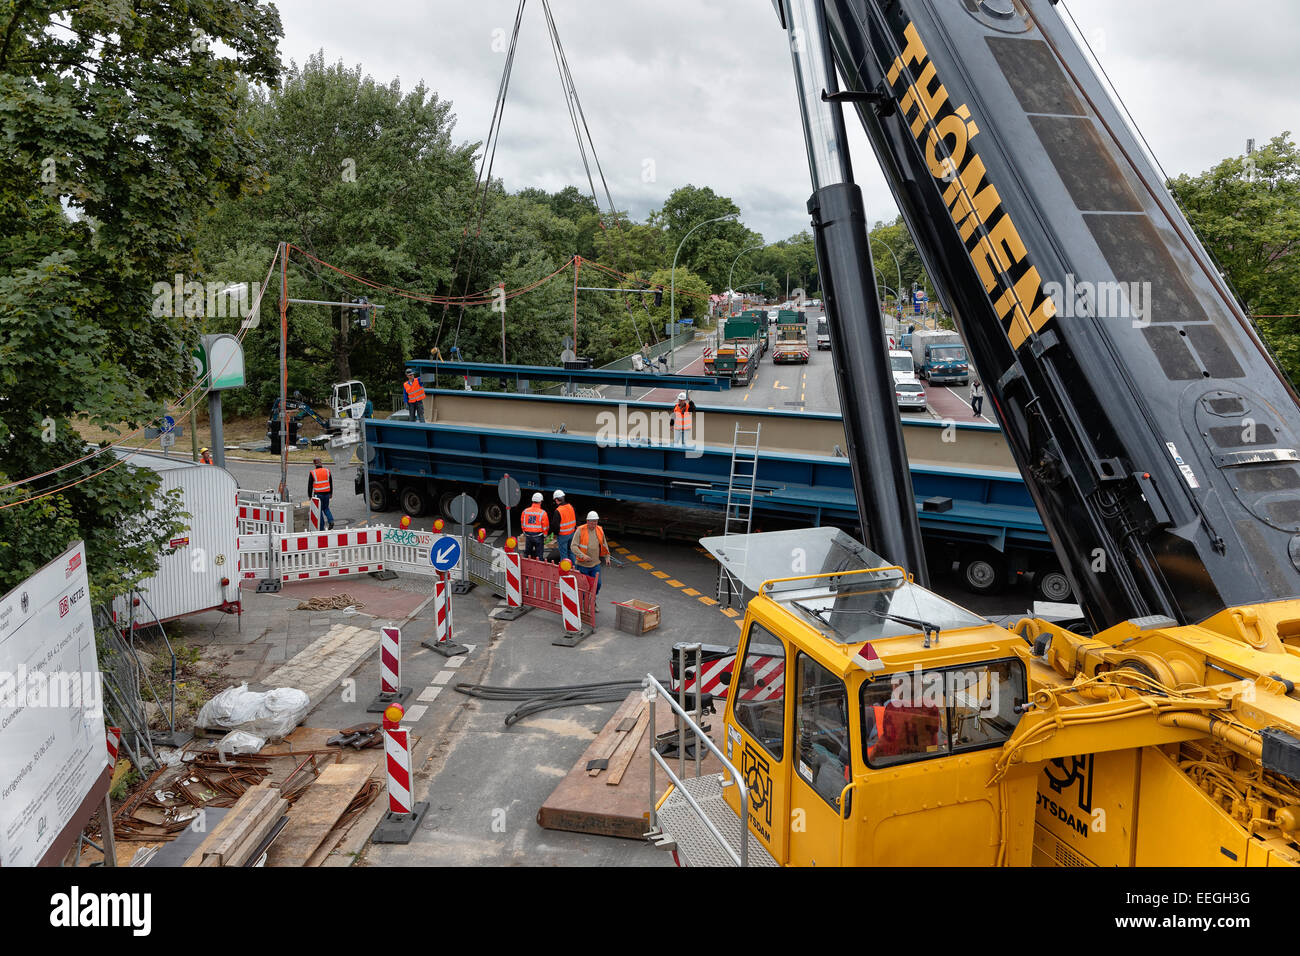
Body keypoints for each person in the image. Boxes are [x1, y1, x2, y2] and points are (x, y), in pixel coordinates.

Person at [573, 510, 611, 603]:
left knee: (597, 584)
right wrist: (583, 556)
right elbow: (573, 546)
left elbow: (604, 544)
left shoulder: (599, 530)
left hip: (595, 564)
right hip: (582, 565)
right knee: (583, 587)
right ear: (587, 521)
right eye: (592, 521)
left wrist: (607, 557)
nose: (594, 523)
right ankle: (583, 603)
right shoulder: (580, 530)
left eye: (595, 521)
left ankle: (593, 601)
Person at [521, 492, 550, 560]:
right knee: (539, 555)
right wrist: (545, 535)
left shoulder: (525, 511)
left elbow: (522, 523)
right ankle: (539, 567)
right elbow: (545, 526)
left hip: (528, 536)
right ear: (540, 502)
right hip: (538, 536)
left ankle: (527, 566)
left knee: (527, 554)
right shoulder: (543, 513)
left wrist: (524, 532)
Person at [308, 457, 334, 530]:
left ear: (315, 464)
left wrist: (310, 496)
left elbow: (310, 485)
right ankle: (331, 520)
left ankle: (321, 528)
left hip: (318, 494)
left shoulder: (313, 472)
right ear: (321, 463)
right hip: (327, 493)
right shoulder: (327, 471)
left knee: (319, 511)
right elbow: (330, 483)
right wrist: (331, 493)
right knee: (326, 508)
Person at [553, 489, 577, 565]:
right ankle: (575, 569)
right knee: (571, 552)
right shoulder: (571, 506)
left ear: (556, 500)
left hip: (563, 536)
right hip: (572, 533)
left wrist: (555, 534)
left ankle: (565, 571)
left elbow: (555, 526)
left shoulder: (558, 510)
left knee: (564, 554)